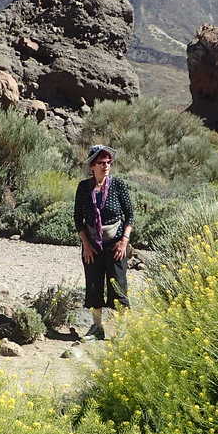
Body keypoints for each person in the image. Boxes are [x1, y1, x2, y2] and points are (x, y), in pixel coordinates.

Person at [73, 144, 134, 339]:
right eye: (101, 162)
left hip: (116, 245)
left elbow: (130, 216)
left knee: (118, 286)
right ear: (92, 166)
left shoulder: (118, 185)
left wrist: (124, 242)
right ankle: (97, 328)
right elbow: (77, 218)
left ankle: (121, 331)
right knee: (93, 285)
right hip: (92, 245)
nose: (106, 166)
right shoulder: (84, 187)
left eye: (108, 162)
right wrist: (86, 245)